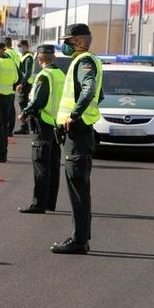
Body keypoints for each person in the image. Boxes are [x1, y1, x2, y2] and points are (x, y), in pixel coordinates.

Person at [51, 23, 103, 254]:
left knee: (77, 189)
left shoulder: (84, 62)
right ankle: (81, 236)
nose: (65, 45)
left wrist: (74, 115)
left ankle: (79, 241)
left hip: (77, 132)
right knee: (80, 187)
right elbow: (100, 95)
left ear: (79, 41)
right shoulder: (88, 61)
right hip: (82, 131)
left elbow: (89, 90)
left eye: (68, 41)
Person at [17, 44, 65, 214]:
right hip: (57, 125)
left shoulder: (44, 76)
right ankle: (50, 202)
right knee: (53, 165)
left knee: (41, 165)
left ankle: (38, 204)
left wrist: (25, 113)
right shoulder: (60, 74)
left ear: (39, 58)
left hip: (44, 123)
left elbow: (38, 100)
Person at [13, 40, 35, 134]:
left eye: (20, 46)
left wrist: (21, 84)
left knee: (23, 105)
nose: (18, 48)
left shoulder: (28, 57)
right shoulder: (23, 56)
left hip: (25, 84)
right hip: (24, 84)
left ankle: (25, 127)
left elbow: (28, 72)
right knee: (23, 104)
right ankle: (26, 126)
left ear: (25, 46)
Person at [4, 37, 21, 137]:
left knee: (7, 107)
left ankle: (7, 129)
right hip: (14, 80)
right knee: (11, 107)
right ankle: (10, 128)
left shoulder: (6, 54)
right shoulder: (16, 53)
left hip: (7, 82)